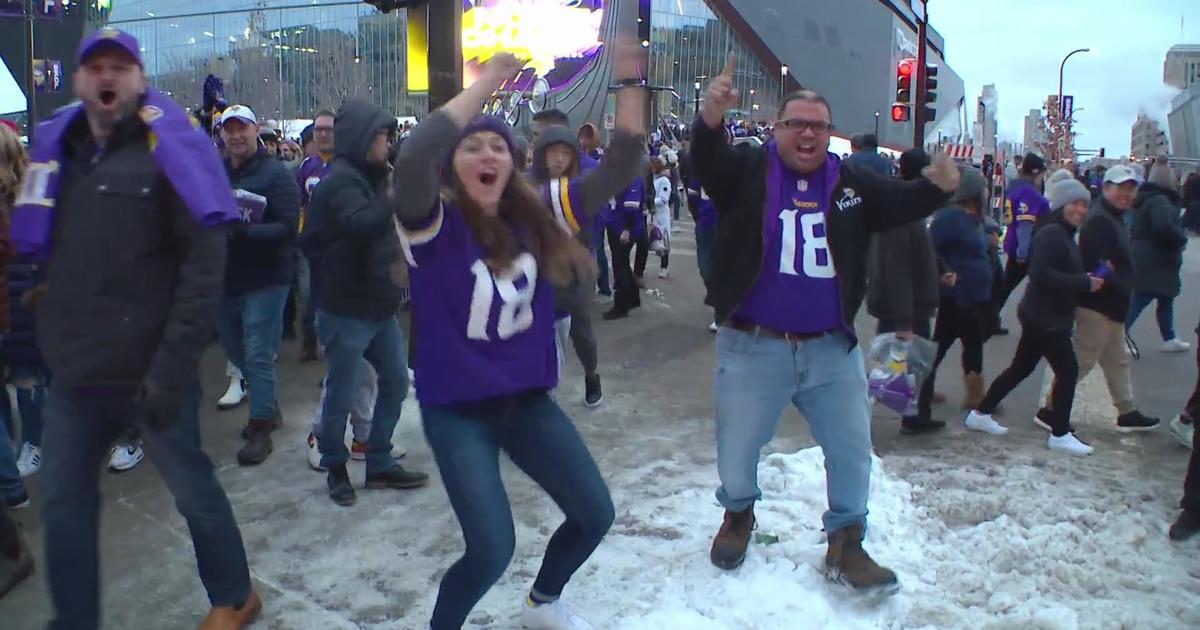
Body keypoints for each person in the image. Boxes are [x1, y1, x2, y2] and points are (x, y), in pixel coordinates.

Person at [10, 28, 260, 627]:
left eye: (120, 66)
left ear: (138, 79)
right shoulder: (57, 157)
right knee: (66, 507)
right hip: (75, 375)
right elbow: (43, 255)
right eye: (94, 65)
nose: (106, 76)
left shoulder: (169, 150)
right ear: (77, 81)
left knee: (193, 493)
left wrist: (174, 366)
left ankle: (235, 597)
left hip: (153, 373)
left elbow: (205, 267)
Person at [392, 44, 643, 629]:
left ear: (512, 165)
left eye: (498, 147)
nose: (486, 153)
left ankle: (543, 602)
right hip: (458, 411)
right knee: (491, 549)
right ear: (453, 167)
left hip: (526, 403)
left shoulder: (538, 218)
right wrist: (487, 84)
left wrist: (632, 79)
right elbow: (414, 157)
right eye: (472, 147)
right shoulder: (432, 226)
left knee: (594, 513)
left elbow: (621, 166)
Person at [693, 55, 959, 591]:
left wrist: (939, 186)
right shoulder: (746, 170)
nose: (808, 133)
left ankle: (847, 542)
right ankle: (739, 514)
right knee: (738, 451)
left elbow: (906, 203)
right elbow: (706, 165)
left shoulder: (852, 182)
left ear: (829, 133)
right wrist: (709, 119)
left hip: (830, 350)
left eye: (818, 125)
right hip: (752, 346)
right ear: (779, 130)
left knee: (851, 448)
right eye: (797, 124)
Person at [308, 98, 428, 506]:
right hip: (347, 310)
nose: (388, 143)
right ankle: (336, 466)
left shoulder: (375, 175)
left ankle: (378, 460)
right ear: (363, 138)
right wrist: (396, 196)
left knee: (395, 380)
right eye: (382, 136)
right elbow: (360, 225)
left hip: (378, 305)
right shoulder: (341, 181)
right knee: (340, 394)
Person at [966, 178, 1104, 454]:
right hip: (1046, 317)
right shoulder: (1052, 233)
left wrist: (1087, 277)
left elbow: (1055, 271)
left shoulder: (1062, 232)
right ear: (1062, 204)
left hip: (1042, 314)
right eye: (1075, 203)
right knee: (1068, 371)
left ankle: (980, 414)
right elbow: (1040, 273)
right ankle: (1059, 433)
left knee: (1021, 368)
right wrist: (1083, 282)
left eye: (1084, 205)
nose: (1080, 210)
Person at [1036, 164, 1160, 433]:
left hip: (1111, 305)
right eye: (1120, 188)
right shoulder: (1101, 219)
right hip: (1098, 305)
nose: (1126, 194)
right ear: (1106, 188)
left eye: (1130, 189)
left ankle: (1127, 411)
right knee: (1082, 359)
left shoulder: (1114, 217)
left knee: (1116, 360)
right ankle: (1050, 409)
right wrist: (1115, 278)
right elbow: (1093, 263)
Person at [217, 105, 300, 466]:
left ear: (256, 131)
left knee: (257, 352)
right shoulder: (216, 173)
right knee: (236, 350)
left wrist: (244, 231)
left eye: (242, 129)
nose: (236, 136)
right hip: (227, 278)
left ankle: (261, 424)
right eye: (229, 129)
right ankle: (269, 407)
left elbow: (287, 226)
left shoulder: (276, 175)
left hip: (267, 278)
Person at [528, 122, 614, 406]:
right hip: (538, 269)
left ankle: (592, 373)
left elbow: (596, 220)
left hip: (577, 268)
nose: (559, 158)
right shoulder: (528, 184)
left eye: (566, 152)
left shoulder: (583, 185)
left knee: (579, 324)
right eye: (553, 152)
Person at [907, 167, 993, 433]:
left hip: (970, 294)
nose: (988, 193)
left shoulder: (971, 218)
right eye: (983, 189)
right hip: (957, 295)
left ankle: (933, 392)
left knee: (962, 342)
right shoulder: (950, 218)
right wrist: (945, 272)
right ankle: (936, 394)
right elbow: (928, 247)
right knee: (952, 343)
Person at [865, 147, 939, 354]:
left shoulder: (906, 204)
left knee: (905, 375)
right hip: (905, 311)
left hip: (905, 307)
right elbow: (897, 267)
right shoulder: (903, 210)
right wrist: (903, 322)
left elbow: (920, 249)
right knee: (901, 377)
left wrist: (942, 268)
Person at [1126, 162, 1190, 353]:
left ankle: (1169, 337)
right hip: (1157, 256)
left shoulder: (1146, 198)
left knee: (1164, 297)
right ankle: (1118, 334)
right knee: (1144, 296)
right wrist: (1180, 239)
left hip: (1148, 254)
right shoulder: (1160, 201)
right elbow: (1163, 228)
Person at [296, 110, 336, 363]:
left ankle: (329, 347)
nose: (322, 134)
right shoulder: (306, 167)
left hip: (338, 243)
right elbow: (299, 202)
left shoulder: (346, 164)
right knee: (308, 293)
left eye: (328, 129)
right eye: (318, 129)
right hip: (310, 243)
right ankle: (309, 340)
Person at [996, 153, 1048, 317]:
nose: (1042, 179)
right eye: (1041, 174)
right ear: (1035, 173)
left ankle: (989, 319)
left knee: (1006, 286)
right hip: (1025, 248)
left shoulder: (1016, 188)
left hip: (1015, 243)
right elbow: (1025, 224)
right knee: (1008, 286)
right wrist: (1023, 252)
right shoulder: (1029, 193)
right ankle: (986, 319)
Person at [603, 173, 647, 320]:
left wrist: (627, 228)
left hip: (621, 227)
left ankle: (621, 306)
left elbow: (631, 207)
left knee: (619, 266)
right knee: (622, 264)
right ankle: (632, 298)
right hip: (616, 223)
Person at [649, 156, 672, 278]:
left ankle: (664, 268)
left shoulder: (664, 181)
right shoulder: (650, 179)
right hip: (652, 216)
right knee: (651, 241)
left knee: (664, 242)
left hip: (661, 216)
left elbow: (663, 199)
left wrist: (651, 202)